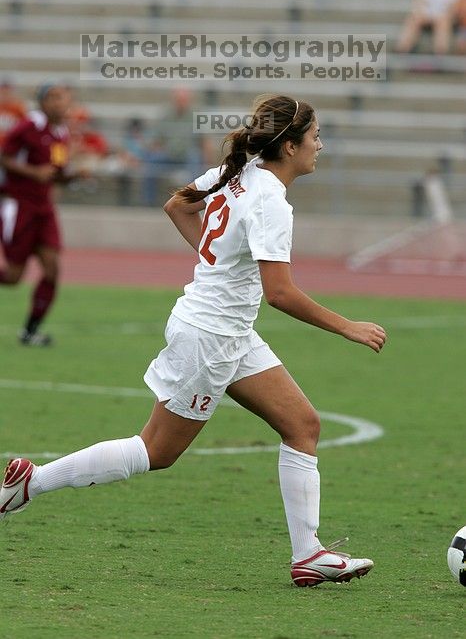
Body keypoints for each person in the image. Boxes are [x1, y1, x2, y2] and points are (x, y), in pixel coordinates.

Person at [0, 95, 386, 587]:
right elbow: (281, 294)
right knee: (157, 451)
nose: (320, 146)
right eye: (314, 138)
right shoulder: (270, 201)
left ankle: (308, 555)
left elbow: (177, 204)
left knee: (302, 425)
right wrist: (347, 325)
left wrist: (217, 259)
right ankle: (31, 483)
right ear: (289, 146)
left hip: (228, 333)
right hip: (209, 336)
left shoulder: (238, 172)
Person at [0, 83, 88, 346]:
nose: (62, 103)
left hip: (43, 208)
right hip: (19, 205)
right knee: (14, 277)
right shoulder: (28, 126)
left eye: (65, 98)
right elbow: (4, 158)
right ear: (43, 102)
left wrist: (74, 175)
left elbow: (55, 175)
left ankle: (30, 332)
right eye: (55, 98)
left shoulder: (60, 133)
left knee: (52, 269)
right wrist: (33, 173)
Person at [0, 79, 27, 149]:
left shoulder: (18, 107)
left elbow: (25, 125)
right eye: (3, 90)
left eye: (7, 91)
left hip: (13, 146)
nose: (5, 93)